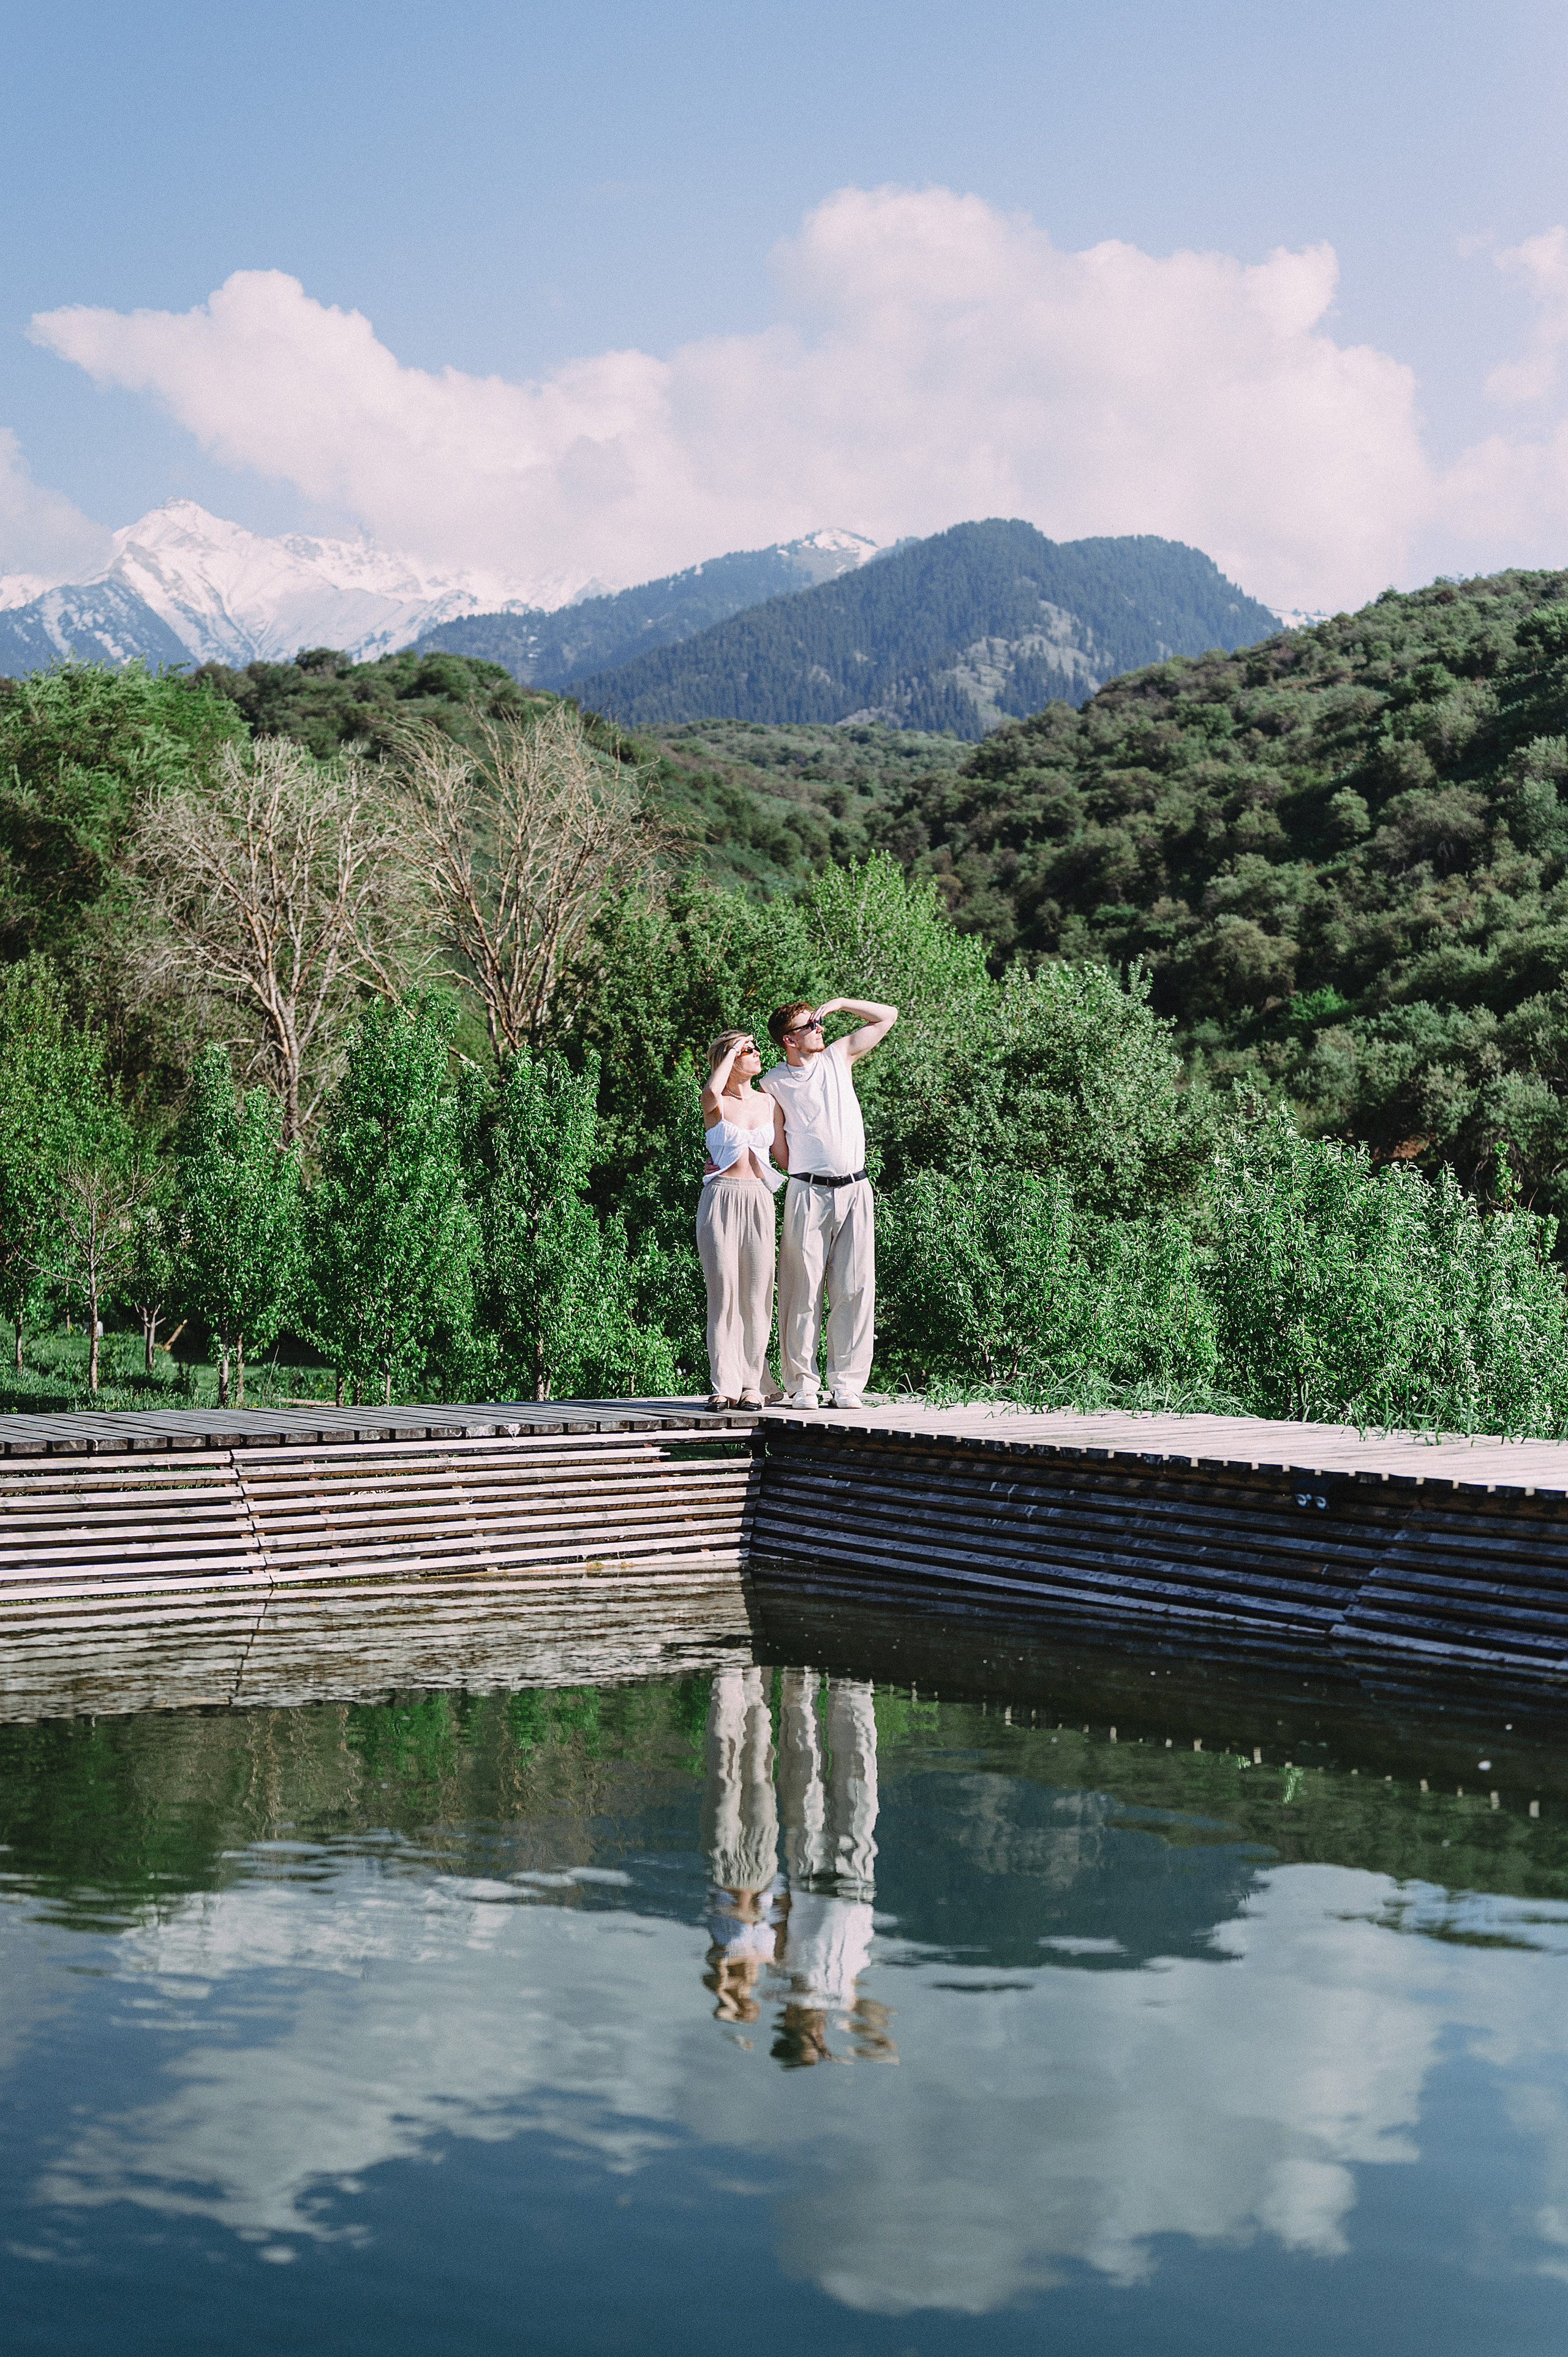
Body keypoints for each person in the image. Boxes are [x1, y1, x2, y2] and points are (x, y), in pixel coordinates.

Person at [761, 995, 897, 1411]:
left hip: (856, 1189)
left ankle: (847, 1384)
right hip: (808, 1192)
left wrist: (838, 1004)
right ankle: (803, 1384)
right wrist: (809, 1172)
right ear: (789, 1039)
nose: (820, 1029)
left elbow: (887, 1016)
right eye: (810, 1025)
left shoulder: (838, 1057)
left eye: (819, 1023)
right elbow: (778, 1146)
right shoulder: (773, 1082)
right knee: (801, 1291)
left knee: (855, 1288)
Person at [697, 1028, 785, 1409]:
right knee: (723, 1294)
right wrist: (730, 1053)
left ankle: (753, 1384)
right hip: (721, 1200)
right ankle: (725, 1384)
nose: (756, 1054)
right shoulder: (715, 1101)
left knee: (757, 1296)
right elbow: (712, 1092)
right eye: (747, 1050)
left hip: (759, 1200)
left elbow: (785, 1158)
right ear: (729, 1059)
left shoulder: (769, 1104)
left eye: (754, 1048)